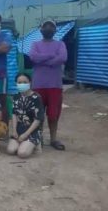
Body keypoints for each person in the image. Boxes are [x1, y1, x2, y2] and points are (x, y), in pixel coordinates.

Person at [29, 19, 67, 151]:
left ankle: (53, 139)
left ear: (55, 30)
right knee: (37, 114)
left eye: (51, 27)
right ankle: (38, 138)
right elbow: (33, 57)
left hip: (55, 85)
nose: (48, 29)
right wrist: (51, 57)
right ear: (41, 30)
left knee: (53, 114)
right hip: (38, 84)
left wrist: (43, 59)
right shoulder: (35, 44)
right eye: (46, 27)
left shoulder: (60, 44)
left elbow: (62, 57)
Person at [7, 73, 44, 158]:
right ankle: (26, 144)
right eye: (19, 82)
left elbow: (38, 119)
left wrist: (26, 134)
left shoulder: (36, 98)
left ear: (30, 82)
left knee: (22, 153)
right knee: (10, 150)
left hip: (32, 130)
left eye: (25, 82)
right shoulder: (16, 96)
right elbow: (14, 114)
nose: (22, 84)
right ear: (16, 83)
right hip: (19, 129)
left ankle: (36, 142)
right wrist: (14, 131)